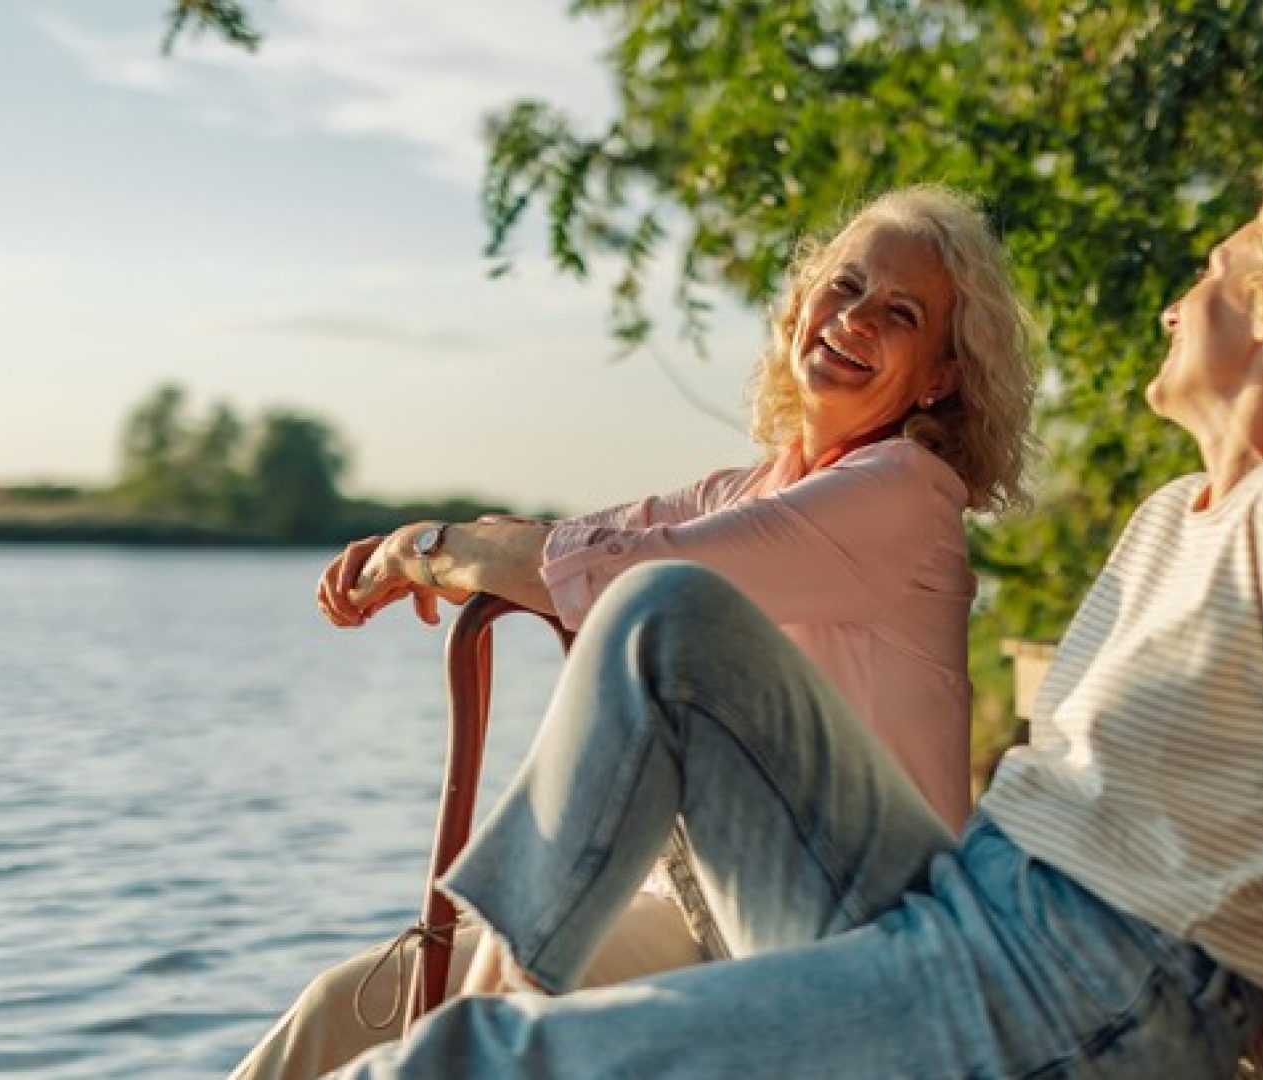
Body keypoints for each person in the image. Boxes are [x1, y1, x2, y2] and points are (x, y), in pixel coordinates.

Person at [327, 154, 1263, 1079]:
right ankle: (495, 985)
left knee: (487, 1066)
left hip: (1065, 986)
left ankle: (482, 1024)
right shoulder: (1177, 517)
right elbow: (1243, 850)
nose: (1175, 307)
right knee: (664, 616)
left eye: (1208, 280)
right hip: (979, 920)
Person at [228, 186, 1037, 1080]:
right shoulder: (747, 492)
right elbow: (568, 543)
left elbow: (630, 576)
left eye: (900, 313)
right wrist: (423, 545)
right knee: (347, 1008)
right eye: (844, 287)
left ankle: (498, 1011)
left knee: (478, 1028)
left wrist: (429, 552)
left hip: (849, 938)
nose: (853, 320)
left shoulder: (903, 495)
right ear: (803, 300)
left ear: (939, 375)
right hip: (704, 915)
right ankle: (491, 1007)